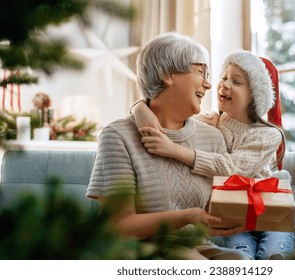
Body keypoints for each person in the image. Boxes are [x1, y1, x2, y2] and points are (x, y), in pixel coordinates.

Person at [86, 32, 250, 260]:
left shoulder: (212, 137)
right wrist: (187, 216)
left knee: (241, 262)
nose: (209, 84)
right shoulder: (118, 136)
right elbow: (118, 226)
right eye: (200, 72)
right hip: (141, 250)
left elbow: (217, 208)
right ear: (167, 75)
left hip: (197, 247)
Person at [133, 50, 295, 260]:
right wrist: (139, 107)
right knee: (241, 257)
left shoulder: (268, 134)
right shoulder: (210, 123)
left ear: (255, 95)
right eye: (224, 77)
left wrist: (176, 151)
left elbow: (232, 168)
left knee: (275, 255)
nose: (224, 84)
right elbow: (167, 114)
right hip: (234, 216)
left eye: (236, 82)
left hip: (272, 213)